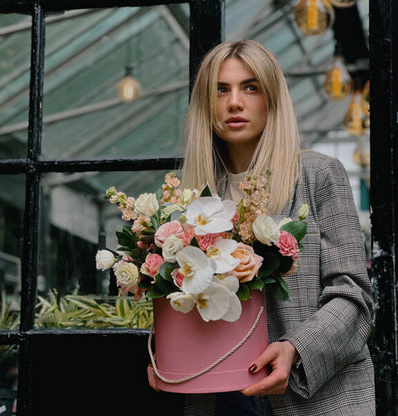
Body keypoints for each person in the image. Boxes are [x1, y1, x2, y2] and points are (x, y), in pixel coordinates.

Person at [149, 40, 375, 415]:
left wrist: (296, 350)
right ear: (206, 103)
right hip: (216, 397)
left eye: (250, 87)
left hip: (313, 395)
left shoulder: (317, 175)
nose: (234, 102)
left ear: (272, 99)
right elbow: (180, 299)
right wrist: (168, 354)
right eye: (221, 89)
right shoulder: (190, 199)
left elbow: (353, 296)